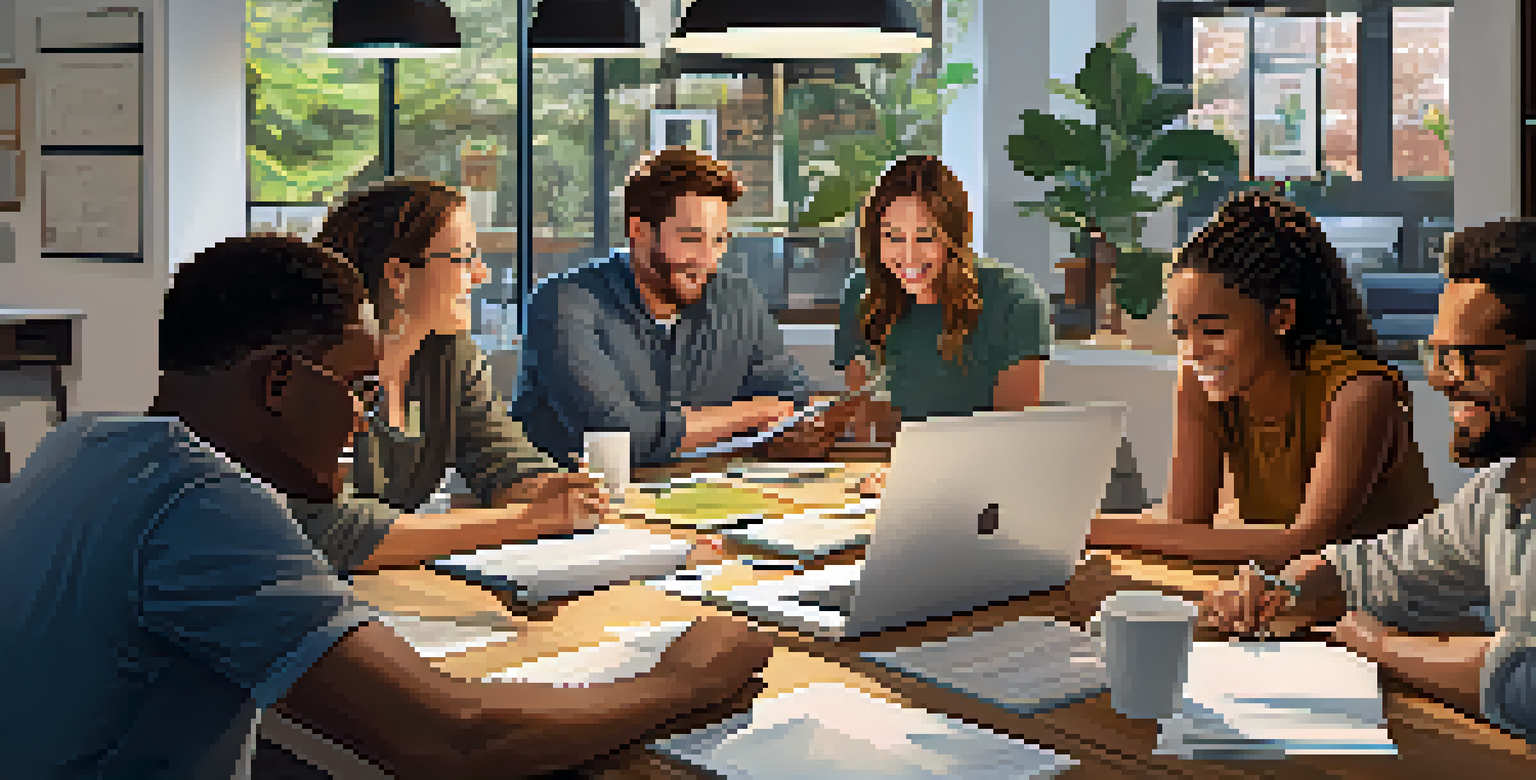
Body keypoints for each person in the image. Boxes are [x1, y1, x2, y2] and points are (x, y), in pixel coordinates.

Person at [0, 235, 773, 778]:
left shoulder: (82, 443)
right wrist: (686, 682)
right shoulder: (206, 501)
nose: (365, 419)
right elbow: (449, 740)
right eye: (357, 389)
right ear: (278, 384)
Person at [1201, 217, 1536, 743]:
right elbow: (1384, 568)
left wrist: (1376, 645)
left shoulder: (1358, 390)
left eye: (1470, 357)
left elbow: (1526, 683)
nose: (1443, 378)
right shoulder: (1499, 495)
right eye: (1438, 353)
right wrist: (1289, 588)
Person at [1086, 190, 1437, 569]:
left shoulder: (1359, 392)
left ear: (1281, 317)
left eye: (1214, 331)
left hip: (1401, 607)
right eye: (1181, 332)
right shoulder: (1202, 378)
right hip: (1294, 598)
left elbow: (1304, 543)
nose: (1192, 351)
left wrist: (1088, 530)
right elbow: (1186, 523)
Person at [306, 178, 604, 574]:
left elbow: (503, 462)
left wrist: (551, 489)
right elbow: (333, 532)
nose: (481, 274)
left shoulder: (449, 354)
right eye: (464, 259)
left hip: (392, 588)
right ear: (398, 275)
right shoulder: (315, 374)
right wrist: (527, 520)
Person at [515, 147, 845, 470]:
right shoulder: (563, 303)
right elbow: (616, 436)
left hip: (706, 501)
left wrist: (805, 426)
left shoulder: (738, 298)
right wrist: (755, 413)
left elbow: (793, 397)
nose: (708, 259)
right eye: (691, 239)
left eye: (719, 240)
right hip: (571, 510)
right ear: (639, 232)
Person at [833, 155, 1050, 495]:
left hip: (985, 487)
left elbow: (1011, 439)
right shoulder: (862, 293)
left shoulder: (1014, 300)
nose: (908, 257)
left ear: (954, 236)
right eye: (892, 236)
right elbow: (867, 425)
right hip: (889, 487)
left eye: (925, 237)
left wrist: (922, 477)